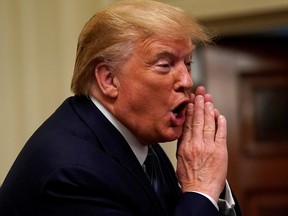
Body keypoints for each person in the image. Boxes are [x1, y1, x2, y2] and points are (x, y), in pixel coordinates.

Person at [0, 0, 241, 215]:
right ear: (109, 80)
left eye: (187, 63)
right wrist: (201, 189)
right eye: (165, 65)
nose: (187, 81)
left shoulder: (139, 137)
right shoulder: (73, 172)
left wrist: (210, 188)